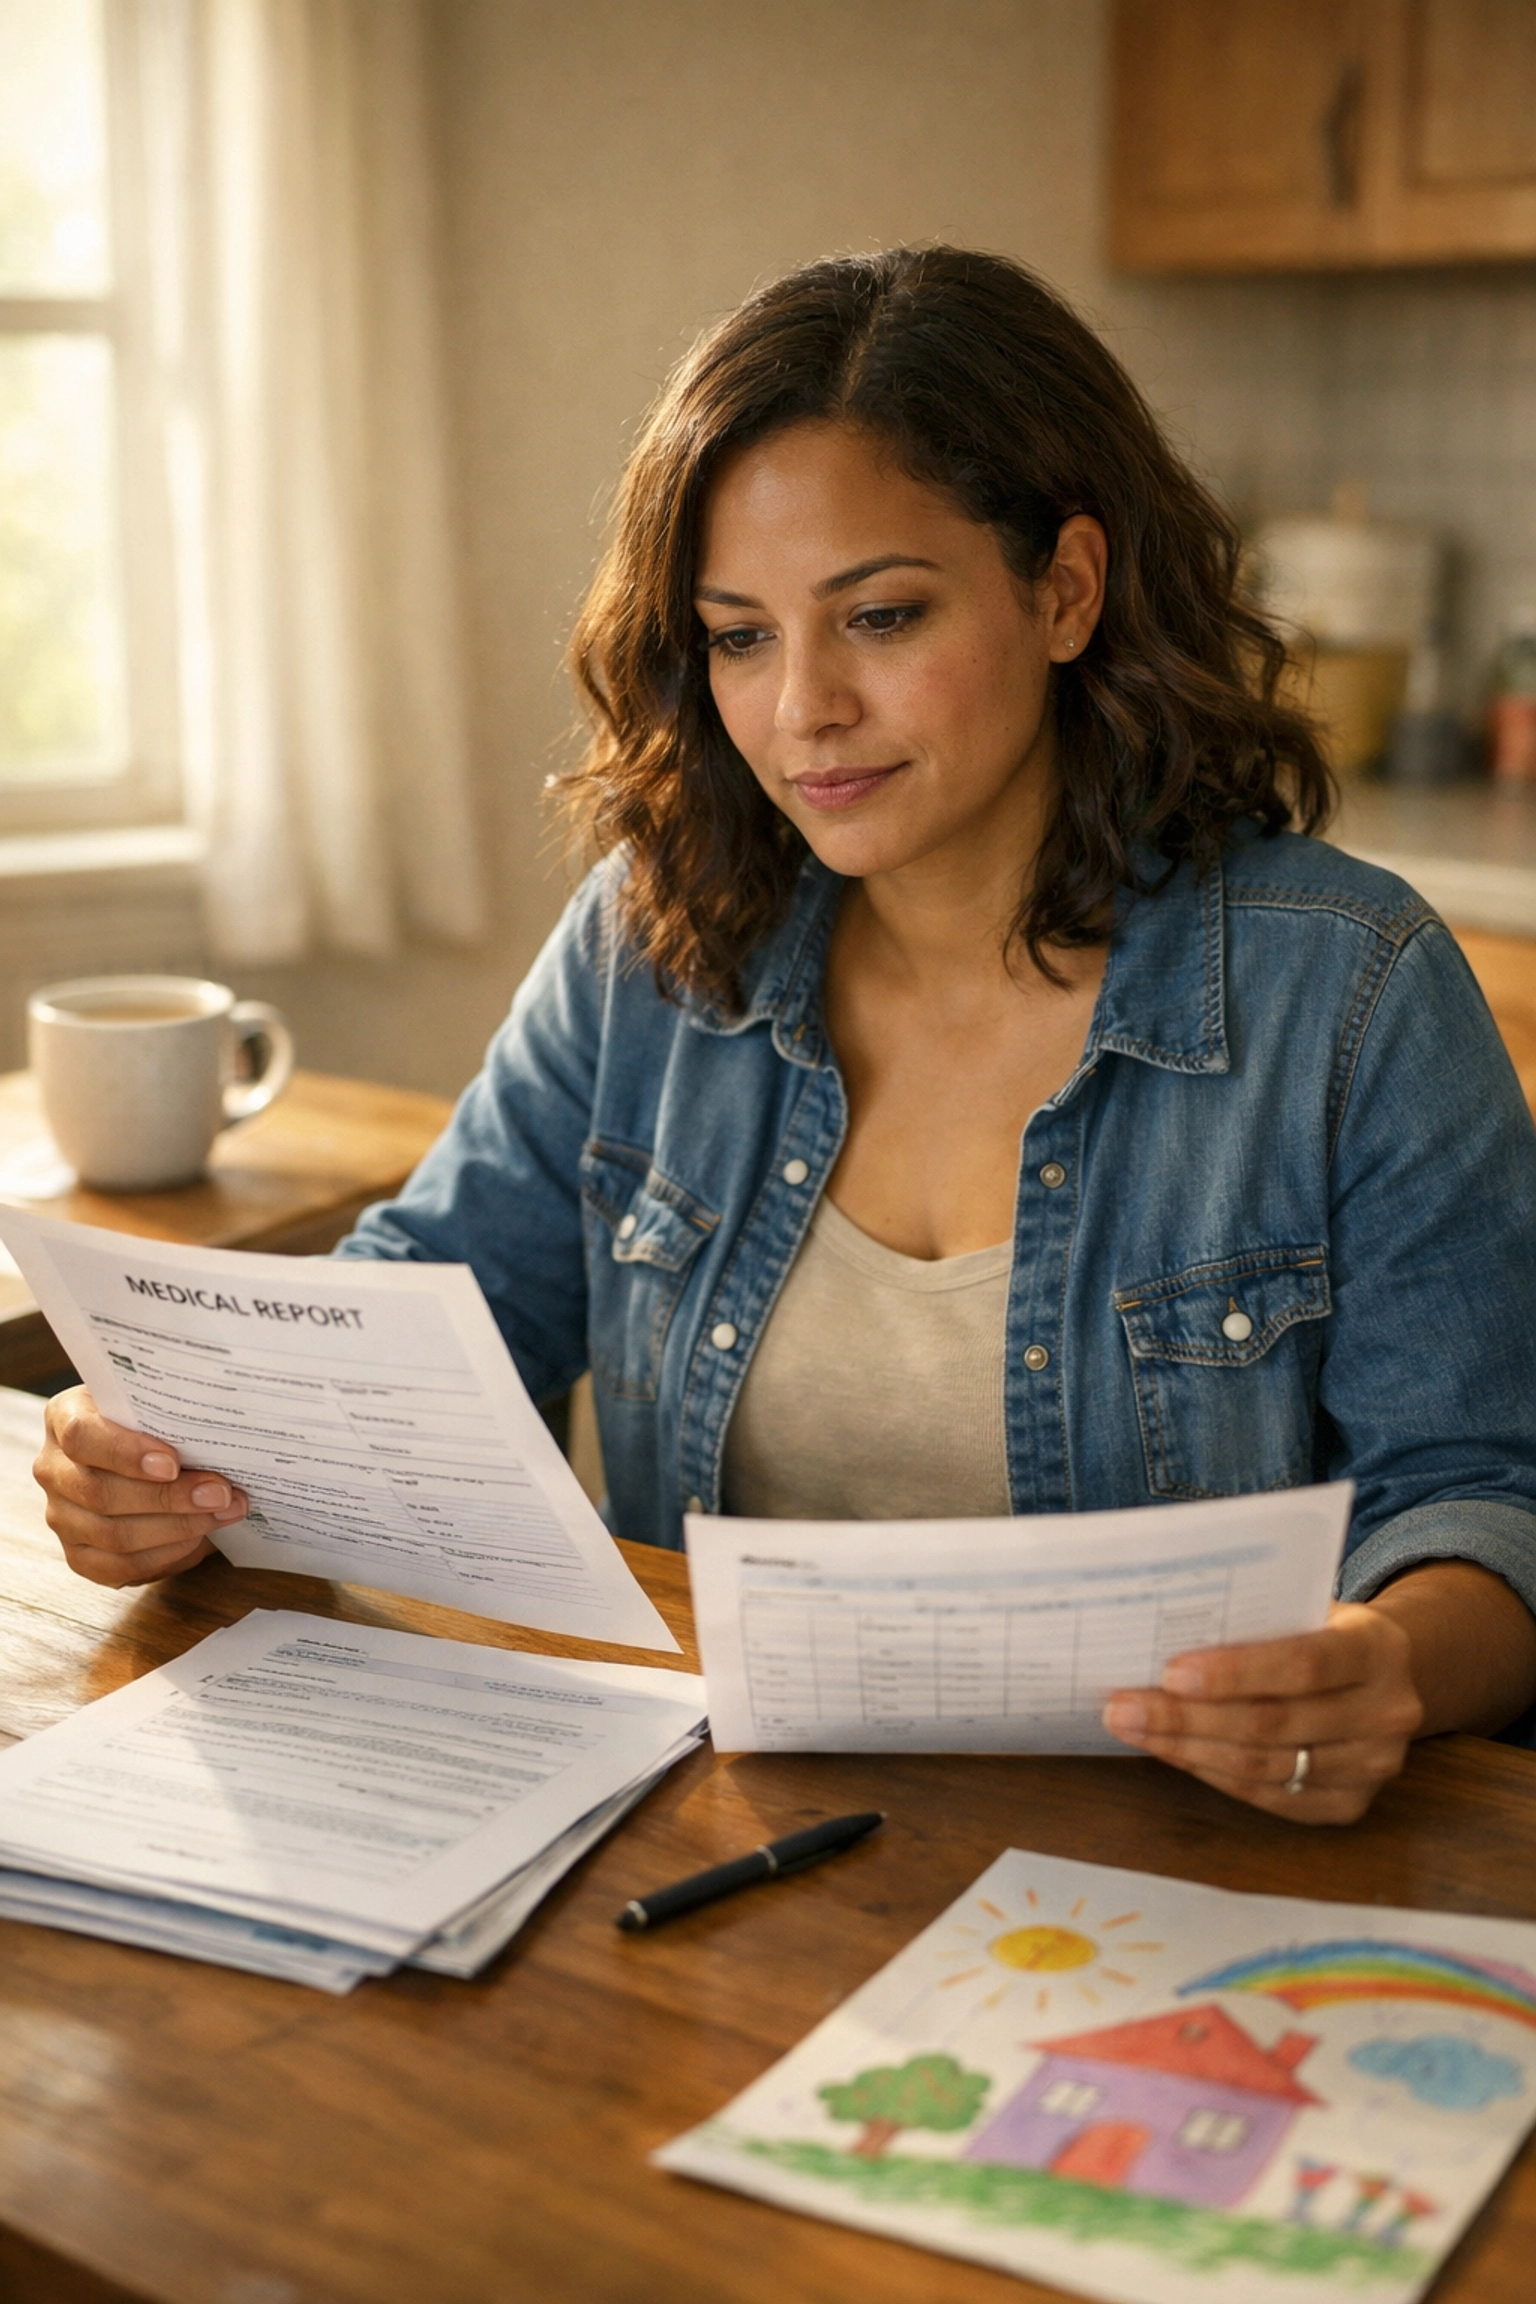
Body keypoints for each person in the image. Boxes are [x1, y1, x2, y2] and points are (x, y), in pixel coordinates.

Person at [33, 247, 1536, 1824]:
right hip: (734, 1839)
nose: (800, 707)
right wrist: (167, 1450)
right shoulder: (652, 941)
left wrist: (1390, 1660)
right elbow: (427, 1310)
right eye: (740, 636)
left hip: (1182, 1854)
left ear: (1067, 589)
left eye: (879, 616)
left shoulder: (1350, 991)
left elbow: (1490, 1500)